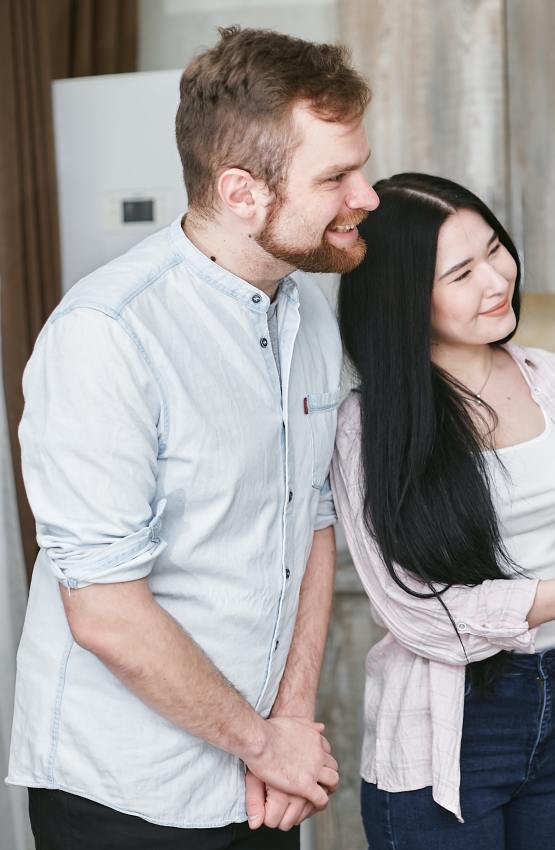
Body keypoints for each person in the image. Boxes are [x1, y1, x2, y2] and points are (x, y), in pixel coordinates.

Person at [7, 27, 379, 849]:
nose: (367, 196)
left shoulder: (307, 314)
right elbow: (104, 611)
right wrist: (264, 743)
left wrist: (287, 719)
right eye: (337, 177)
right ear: (242, 192)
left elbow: (309, 522)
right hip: (127, 796)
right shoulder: (108, 333)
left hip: (258, 778)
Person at [333, 173, 555, 849]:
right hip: (447, 725)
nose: (496, 280)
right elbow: (418, 616)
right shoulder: (367, 427)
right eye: (461, 273)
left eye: (494, 249)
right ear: (405, 299)